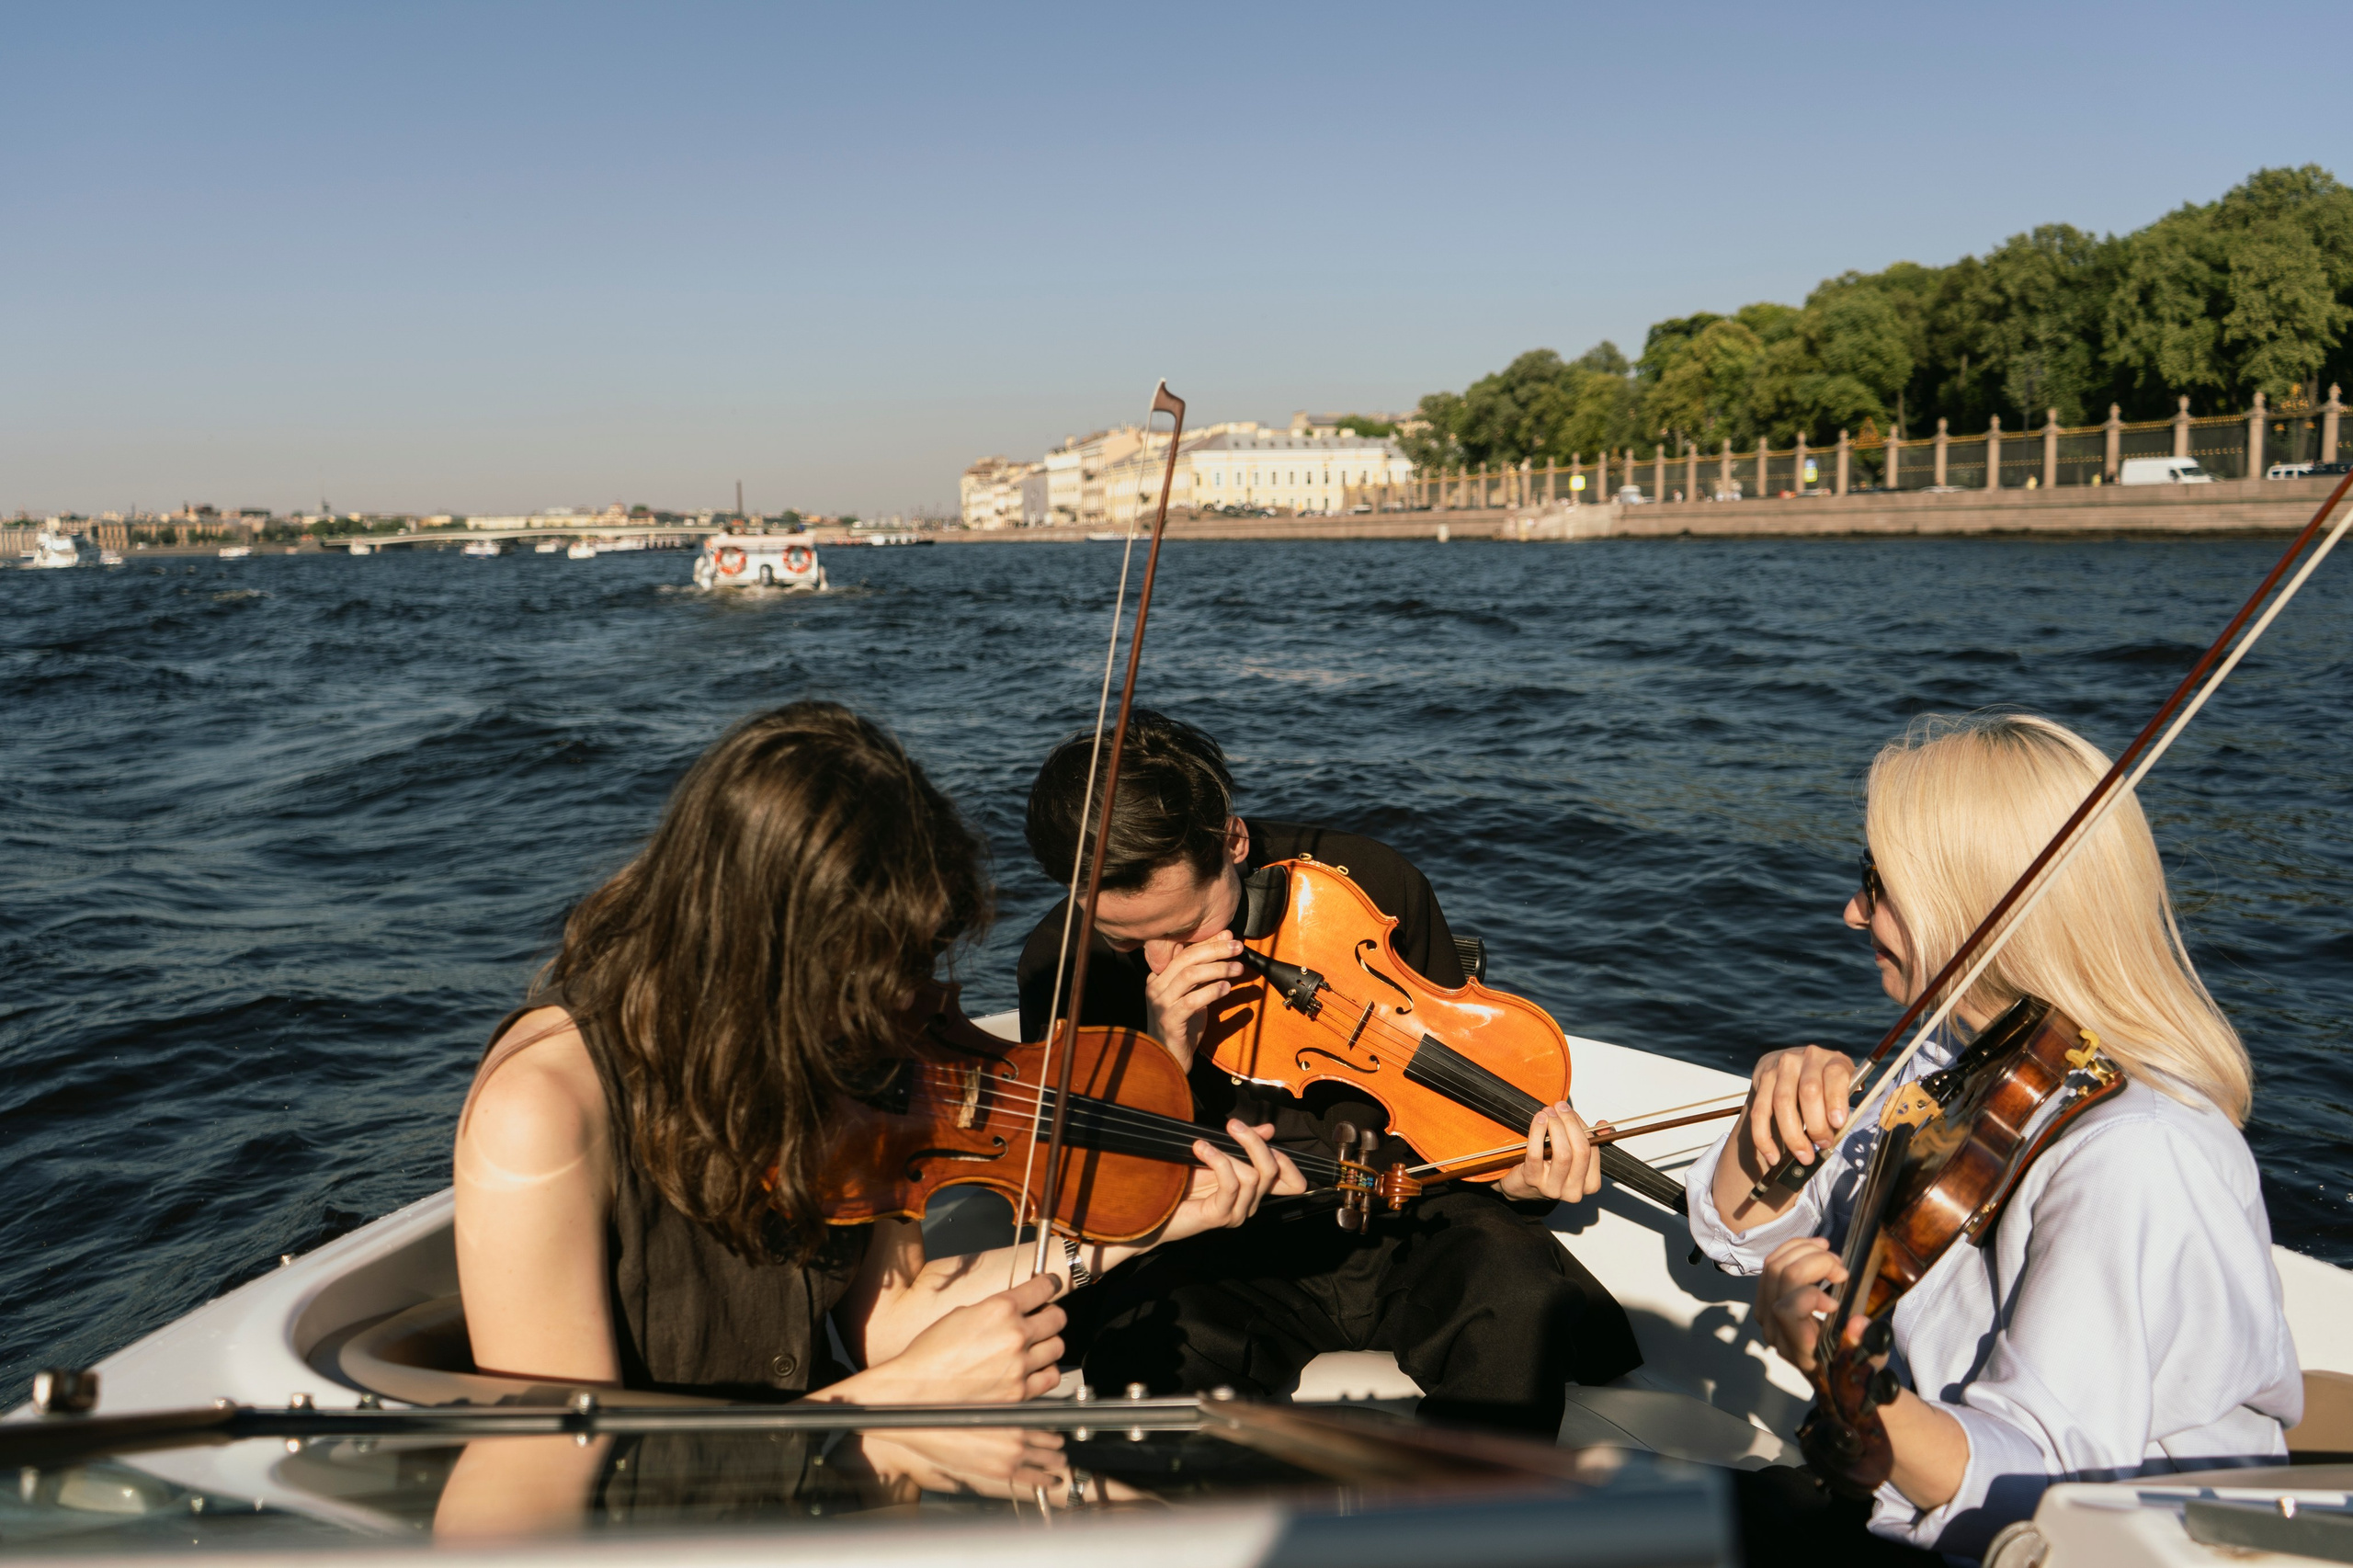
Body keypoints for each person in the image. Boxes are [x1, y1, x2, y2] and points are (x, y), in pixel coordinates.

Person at [451, 703, 1297, 1472]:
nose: (911, 1009)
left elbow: (893, 1319)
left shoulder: (849, 1058)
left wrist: (1151, 1225)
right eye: (882, 973)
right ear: (775, 950)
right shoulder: (544, 1110)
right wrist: (891, 1405)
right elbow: (535, 1492)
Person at [1686, 713, 2302, 1564]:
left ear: (1972, 903)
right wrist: (1770, 1144)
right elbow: (1739, 1244)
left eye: (1879, 883)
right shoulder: (1960, 1056)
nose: (1852, 913)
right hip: (1895, 1502)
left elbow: (2046, 1493)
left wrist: (1848, 1380)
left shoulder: (2137, 1152)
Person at [1014, 710, 1640, 1437]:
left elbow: (1451, 1115)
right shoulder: (1061, 965)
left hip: (1409, 1212)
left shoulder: (1372, 886)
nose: (1164, 961)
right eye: (1129, 939)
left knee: (1519, 1300)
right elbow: (1084, 1201)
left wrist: (1515, 1181)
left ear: (1233, 842)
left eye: (1187, 930)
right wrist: (1166, 1055)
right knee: (1141, 1371)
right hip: (1222, 1251)